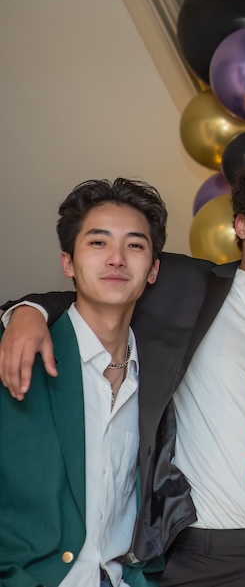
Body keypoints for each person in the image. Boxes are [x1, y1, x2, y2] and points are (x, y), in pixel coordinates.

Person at [0, 151, 245, 586]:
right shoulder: (182, 286)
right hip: (204, 553)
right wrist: (26, 311)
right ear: (241, 225)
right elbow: (100, 289)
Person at [0, 178, 166, 586]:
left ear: (153, 270)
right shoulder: (16, 353)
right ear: (68, 263)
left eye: (135, 245)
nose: (117, 259)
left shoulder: (162, 371)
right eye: (98, 242)